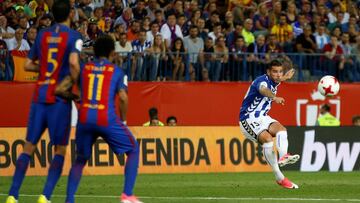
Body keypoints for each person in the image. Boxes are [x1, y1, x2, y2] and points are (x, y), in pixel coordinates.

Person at [5, 1, 82, 203]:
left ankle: (12, 195)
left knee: (29, 147)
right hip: (58, 100)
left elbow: (29, 64)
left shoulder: (42, 34)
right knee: (60, 150)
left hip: (40, 96)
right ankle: (45, 196)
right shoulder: (74, 36)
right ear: (70, 14)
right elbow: (74, 64)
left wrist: (48, 70)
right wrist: (76, 85)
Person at [65, 35, 142, 203]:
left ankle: (69, 200)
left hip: (84, 118)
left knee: (80, 159)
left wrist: (76, 49)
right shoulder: (116, 71)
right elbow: (123, 97)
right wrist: (123, 121)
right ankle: (127, 195)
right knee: (133, 149)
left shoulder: (85, 68)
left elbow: (73, 66)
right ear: (113, 53)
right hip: (106, 118)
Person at [239, 59, 300, 189]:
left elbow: (277, 80)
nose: (278, 75)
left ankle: (283, 156)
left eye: (280, 72)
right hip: (247, 119)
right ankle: (279, 177)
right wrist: (274, 97)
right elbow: (263, 90)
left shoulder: (275, 80)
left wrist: (284, 77)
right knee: (267, 140)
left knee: (281, 130)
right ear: (268, 72)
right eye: (274, 72)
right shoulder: (261, 81)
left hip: (263, 117)